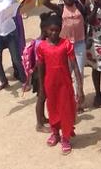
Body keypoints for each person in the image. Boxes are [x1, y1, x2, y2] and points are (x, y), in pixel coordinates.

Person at [36, 11, 84, 152]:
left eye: (57, 30)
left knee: (65, 109)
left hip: (64, 83)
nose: (54, 33)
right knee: (53, 108)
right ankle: (55, 132)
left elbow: (74, 65)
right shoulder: (42, 47)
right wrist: (41, 87)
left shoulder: (66, 44)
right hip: (50, 83)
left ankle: (65, 137)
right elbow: (40, 67)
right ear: (46, 30)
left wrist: (79, 86)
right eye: (51, 30)